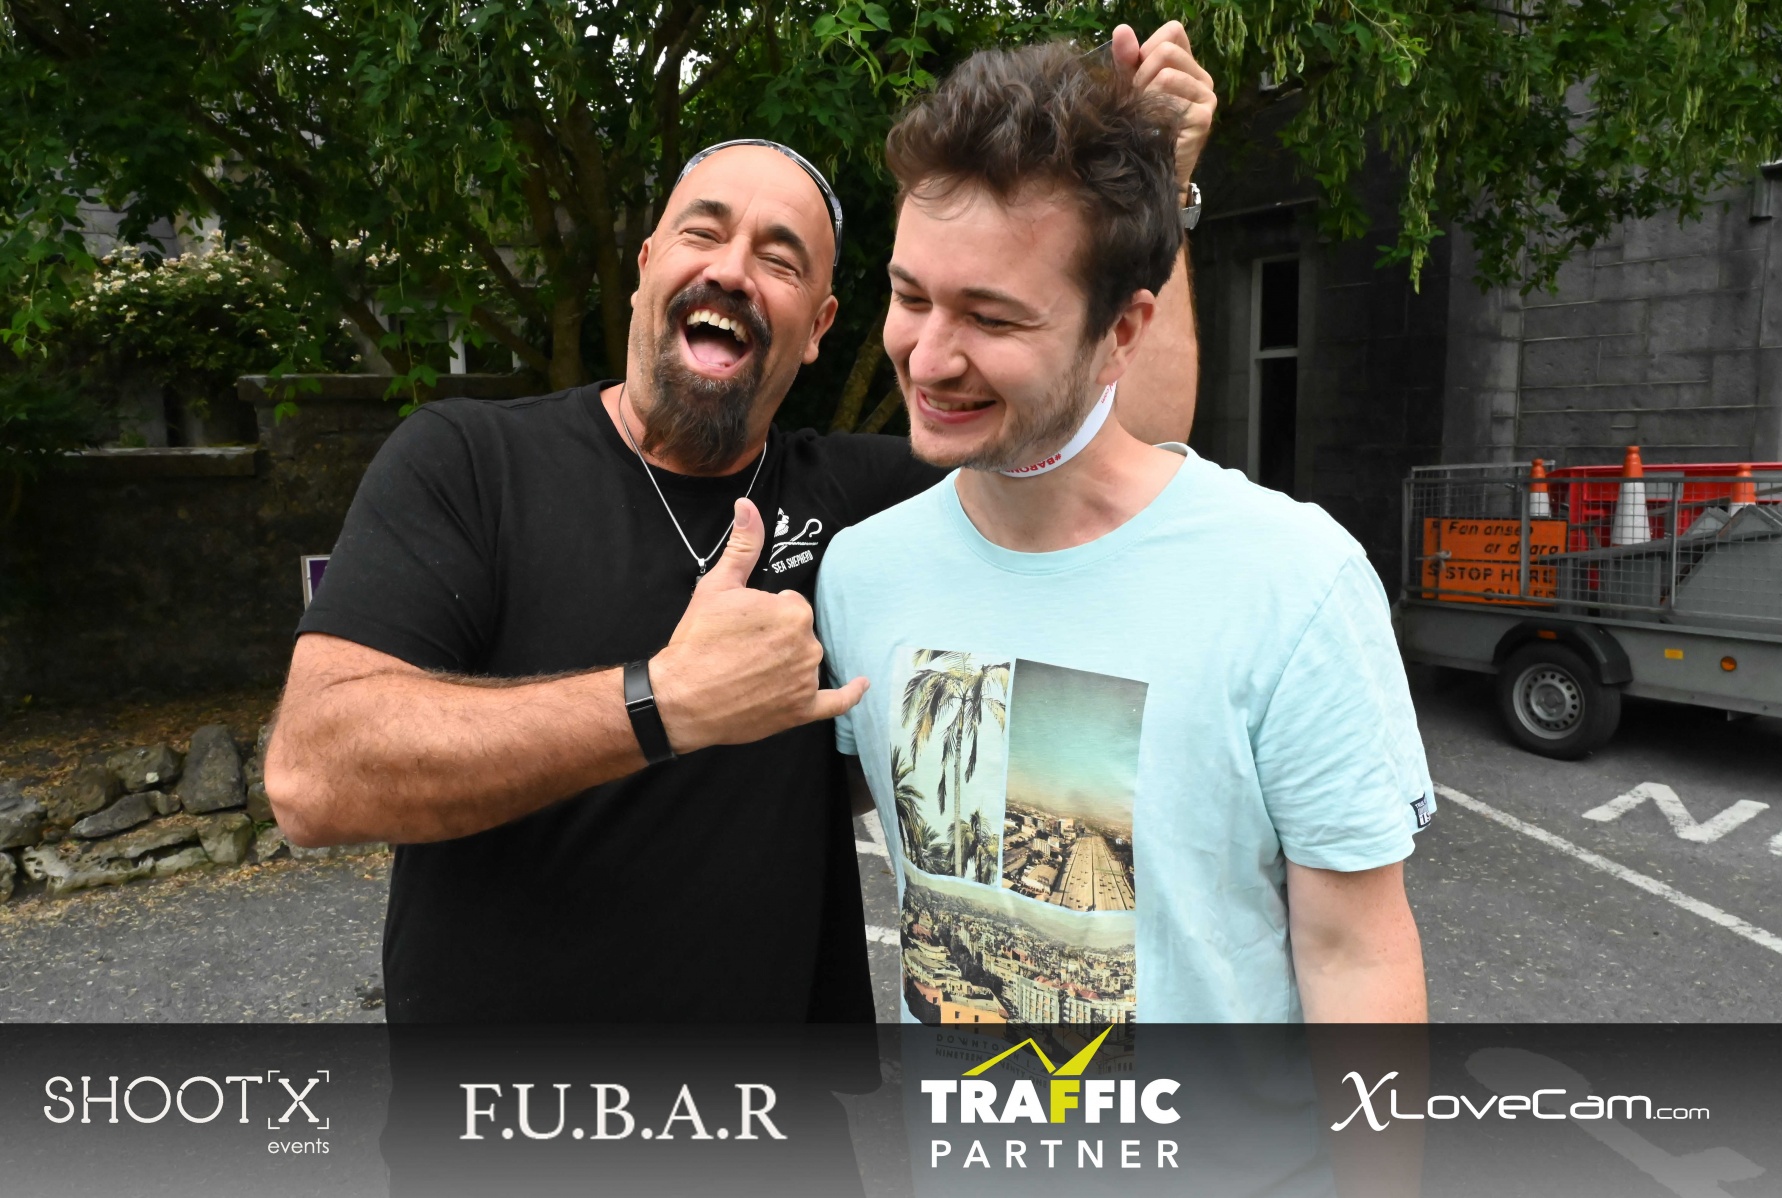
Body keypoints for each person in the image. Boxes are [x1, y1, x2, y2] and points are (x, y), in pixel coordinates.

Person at [264, 25, 1217, 1023]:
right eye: (703, 232)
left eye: (780, 258)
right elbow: (313, 776)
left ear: (818, 330)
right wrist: (661, 702)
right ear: (646, 266)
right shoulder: (469, 462)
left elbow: (1120, 435)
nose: (732, 269)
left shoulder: (865, 505)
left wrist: (1166, 189)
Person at [815, 40, 1433, 1026]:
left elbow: (1356, 959)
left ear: (1123, 334)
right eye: (911, 296)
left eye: (991, 318)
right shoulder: (861, 574)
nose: (927, 358)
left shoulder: (1293, 582)